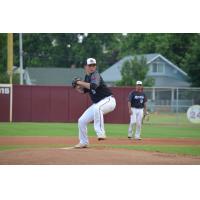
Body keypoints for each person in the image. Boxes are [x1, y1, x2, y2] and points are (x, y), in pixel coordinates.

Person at [73, 58, 116, 148]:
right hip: (98, 103)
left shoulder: (95, 75)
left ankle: (101, 133)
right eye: (90, 65)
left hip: (108, 100)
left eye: (94, 65)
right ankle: (84, 142)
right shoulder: (87, 77)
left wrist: (79, 82)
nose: (92, 67)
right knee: (81, 121)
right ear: (85, 67)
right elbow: (83, 91)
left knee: (98, 108)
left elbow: (93, 86)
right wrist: (77, 87)